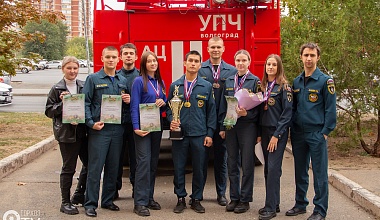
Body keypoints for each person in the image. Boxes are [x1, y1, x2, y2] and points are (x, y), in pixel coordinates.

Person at [286, 43, 336, 220]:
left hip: (316, 133)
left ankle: (320, 210)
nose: (309, 58)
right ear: (301, 57)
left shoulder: (325, 81)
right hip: (299, 133)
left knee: (319, 173)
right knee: (300, 171)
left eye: (312, 55)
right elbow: (294, 107)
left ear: (318, 58)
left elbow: (330, 109)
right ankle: (300, 204)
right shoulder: (297, 81)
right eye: (306, 55)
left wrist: (325, 132)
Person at [167, 50, 216, 214]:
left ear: (200, 65)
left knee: (200, 168)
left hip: (199, 134)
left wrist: (210, 133)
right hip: (179, 135)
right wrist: (170, 122)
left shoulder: (206, 86)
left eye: (196, 61)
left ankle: (196, 198)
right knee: (178, 167)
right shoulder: (175, 86)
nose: (193, 64)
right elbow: (168, 110)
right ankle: (180, 198)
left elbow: (211, 112)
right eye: (191, 61)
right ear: (185, 63)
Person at [83, 46, 129, 217]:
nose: (111, 60)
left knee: (113, 167)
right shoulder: (93, 79)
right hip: (99, 130)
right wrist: (90, 123)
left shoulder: (122, 80)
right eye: (108, 57)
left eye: (114, 57)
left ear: (119, 59)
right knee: (95, 168)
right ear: (102, 58)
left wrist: (128, 100)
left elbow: (126, 106)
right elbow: (85, 103)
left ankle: (108, 200)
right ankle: (90, 203)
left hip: (117, 130)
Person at [219, 49, 261, 214]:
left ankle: (245, 199)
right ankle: (234, 197)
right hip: (230, 126)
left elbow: (259, 107)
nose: (241, 63)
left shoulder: (255, 81)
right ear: (234, 62)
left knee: (247, 163)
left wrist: (247, 114)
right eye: (238, 61)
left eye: (244, 60)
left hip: (247, 126)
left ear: (249, 62)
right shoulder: (229, 80)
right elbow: (223, 105)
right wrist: (222, 127)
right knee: (232, 162)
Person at [45, 56, 88, 215]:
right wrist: (63, 104)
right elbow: (49, 111)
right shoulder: (56, 88)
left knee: (89, 164)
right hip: (67, 135)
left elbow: (88, 105)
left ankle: (79, 193)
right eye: (69, 68)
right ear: (63, 69)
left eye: (75, 68)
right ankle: (65, 202)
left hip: (83, 132)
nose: (72, 71)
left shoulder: (83, 86)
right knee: (69, 168)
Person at [198, 36, 236, 206]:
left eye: (218, 47)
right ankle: (198, 194)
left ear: (223, 49)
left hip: (222, 124)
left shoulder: (232, 71)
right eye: (212, 47)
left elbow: (234, 100)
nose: (215, 50)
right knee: (201, 160)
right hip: (204, 123)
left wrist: (225, 125)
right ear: (207, 49)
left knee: (222, 161)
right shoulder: (201, 69)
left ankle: (221, 194)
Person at [130, 51, 167, 216]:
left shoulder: (159, 82)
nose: (153, 63)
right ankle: (139, 202)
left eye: (155, 61)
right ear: (144, 64)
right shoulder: (139, 81)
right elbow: (134, 105)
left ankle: (149, 197)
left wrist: (163, 101)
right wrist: (136, 127)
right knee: (143, 163)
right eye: (149, 61)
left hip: (156, 128)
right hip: (143, 129)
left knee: (152, 163)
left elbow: (164, 104)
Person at [257, 54, 292, 220]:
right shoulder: (262, 86)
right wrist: (259, 135)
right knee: (267, 169)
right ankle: (273, 203)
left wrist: (276, 135)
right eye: (268, 64)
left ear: (279, 67)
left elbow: (287, 114)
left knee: (273, 169)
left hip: (277, 133)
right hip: (264, 132)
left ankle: (270, 209)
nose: (270, 67)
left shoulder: (284, 87)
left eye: (273, 65)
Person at [115, 43, 139, 199]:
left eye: (131, 53)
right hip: (118, 123)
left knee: (136, 158)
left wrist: (134, 100)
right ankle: (114, 190)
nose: (128, 56)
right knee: (116, 158)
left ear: (136, 57)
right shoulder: (115, 76)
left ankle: (136, 189)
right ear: (120, 57)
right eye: (126, 53)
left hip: (136, 123)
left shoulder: (142, 76)